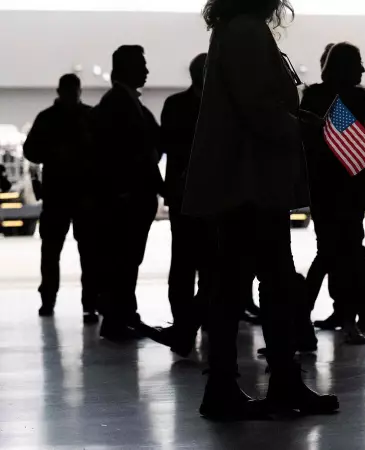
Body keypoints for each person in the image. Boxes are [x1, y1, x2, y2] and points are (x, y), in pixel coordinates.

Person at [183, 0, 338, 420]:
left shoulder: (232, 30)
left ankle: (233, 383)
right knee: (268, 282)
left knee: (242, 282)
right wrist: (300, 127)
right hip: (251, 180)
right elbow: (258, 108)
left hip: (244, 180)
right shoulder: (247, 31)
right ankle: (271, 382)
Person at [300, 42, 365, 345]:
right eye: (358, 63)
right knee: (347, 252)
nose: (363, 69)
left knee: (331, 253)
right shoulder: (361, 100)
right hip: (347, 188)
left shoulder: (315, 97)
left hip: (325, 188)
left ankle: (305, 317)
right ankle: (349, 317)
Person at [90, 45, 164, 342]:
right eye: (141, 65)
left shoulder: (124, 102)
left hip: (129, 197)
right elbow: (120, 153)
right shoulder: (119, 105)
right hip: (126, 199)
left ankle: (123, 315)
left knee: (125, 260)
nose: (146, 71)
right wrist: (122, 191)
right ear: (126, 68)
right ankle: (117, 319)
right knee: (123, 260)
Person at [23, 74, 99, 324]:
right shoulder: (89, 116)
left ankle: (49, 300)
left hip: (57, 194)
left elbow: (31, 151)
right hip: (83, 195)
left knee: (53, 251)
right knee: (87, 252)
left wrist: (52, 153)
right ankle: (90, 303)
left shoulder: (47, 118)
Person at [157, 53, 210, 356]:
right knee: (188, 264)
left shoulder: (175, 105)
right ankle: (186, 325)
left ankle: (185, 327)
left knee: (191, 264)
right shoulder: (218, 107)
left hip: (191, 195)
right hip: (191, 196)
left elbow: (166, 145)